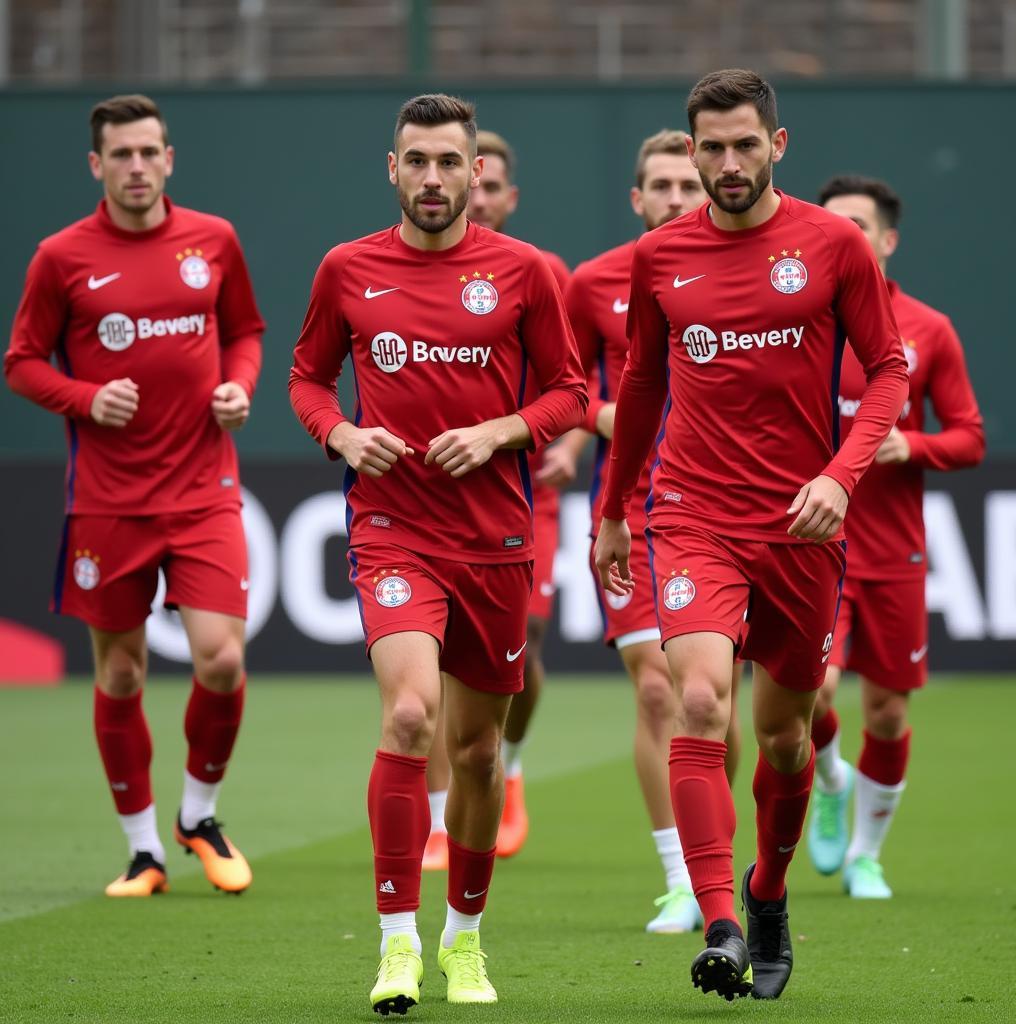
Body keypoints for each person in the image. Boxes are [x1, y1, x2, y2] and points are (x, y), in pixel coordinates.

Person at [594, 69, 909, 1001]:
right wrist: (616, 509)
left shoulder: (832, 246)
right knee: (698, 701)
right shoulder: (661, 256)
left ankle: (766, 892)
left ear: (778, 145)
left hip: (801, 524)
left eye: (744, 145)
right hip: (691, 515)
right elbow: (643, 386)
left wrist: (838, 476)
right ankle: (721, 922)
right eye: (710, 147)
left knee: (784, 740)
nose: (727, 163)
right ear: (690, 151)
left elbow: (887, 371)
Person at [288, 94, 586, 1015]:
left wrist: (501, 430)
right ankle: (395, 944)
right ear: (392, 168)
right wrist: (339, 433)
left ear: (476, 176)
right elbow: (305, 379)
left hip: (494, 539)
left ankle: (464, 939)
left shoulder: (526, 272)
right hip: (392, 529)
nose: (432, 179)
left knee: (479, 751)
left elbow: (571, 391)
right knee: (409, 718)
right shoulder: (347, 268)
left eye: (449, 164)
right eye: (415, 161)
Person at [4, 94, 264, 898]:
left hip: (203, 488)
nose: (138, 167)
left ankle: (199, 814)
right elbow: (21, 362)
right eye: (122, 155)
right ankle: (144, 850)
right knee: (120, 677)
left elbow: (246, 331)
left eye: (150, 152)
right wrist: (84, 399)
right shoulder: (61, 256)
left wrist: (238, 386)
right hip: (109, 502)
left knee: (221, 658)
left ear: (170, 158)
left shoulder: (213, 239)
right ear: (97, 165)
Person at [567, 129, 743, 935]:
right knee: (658, 687)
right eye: (660, 186)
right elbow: (564, 389)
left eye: (686, 182)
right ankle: (682, 878)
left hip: (734, 506)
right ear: (636, 198)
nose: (676, 197)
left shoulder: (748, 265)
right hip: (636, 505)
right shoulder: (596, 281)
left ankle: (723, 848)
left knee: (727, 701)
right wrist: (616, 420)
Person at [806, 175, 985, 897]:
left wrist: (912, 447)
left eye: (858, 226)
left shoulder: (928, 329)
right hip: (814, 546)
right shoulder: (802, 323)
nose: (846, 237)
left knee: (886, 710)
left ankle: (866, 855)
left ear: (886, 240)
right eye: (833, 226)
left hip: (893, 554)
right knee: (813, 696)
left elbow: (970, 437)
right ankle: (827, 780)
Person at [420, 130, 573, 872]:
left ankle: (506, 763)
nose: (469, 194)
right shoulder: (395, 268)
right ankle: (436, 819)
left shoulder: (539, 272)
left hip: (521, 488)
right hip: (422, 499)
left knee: (528, 642)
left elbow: (578, 381)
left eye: (482, 183)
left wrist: (568, 449)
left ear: (504, 194)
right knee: (420, 668)